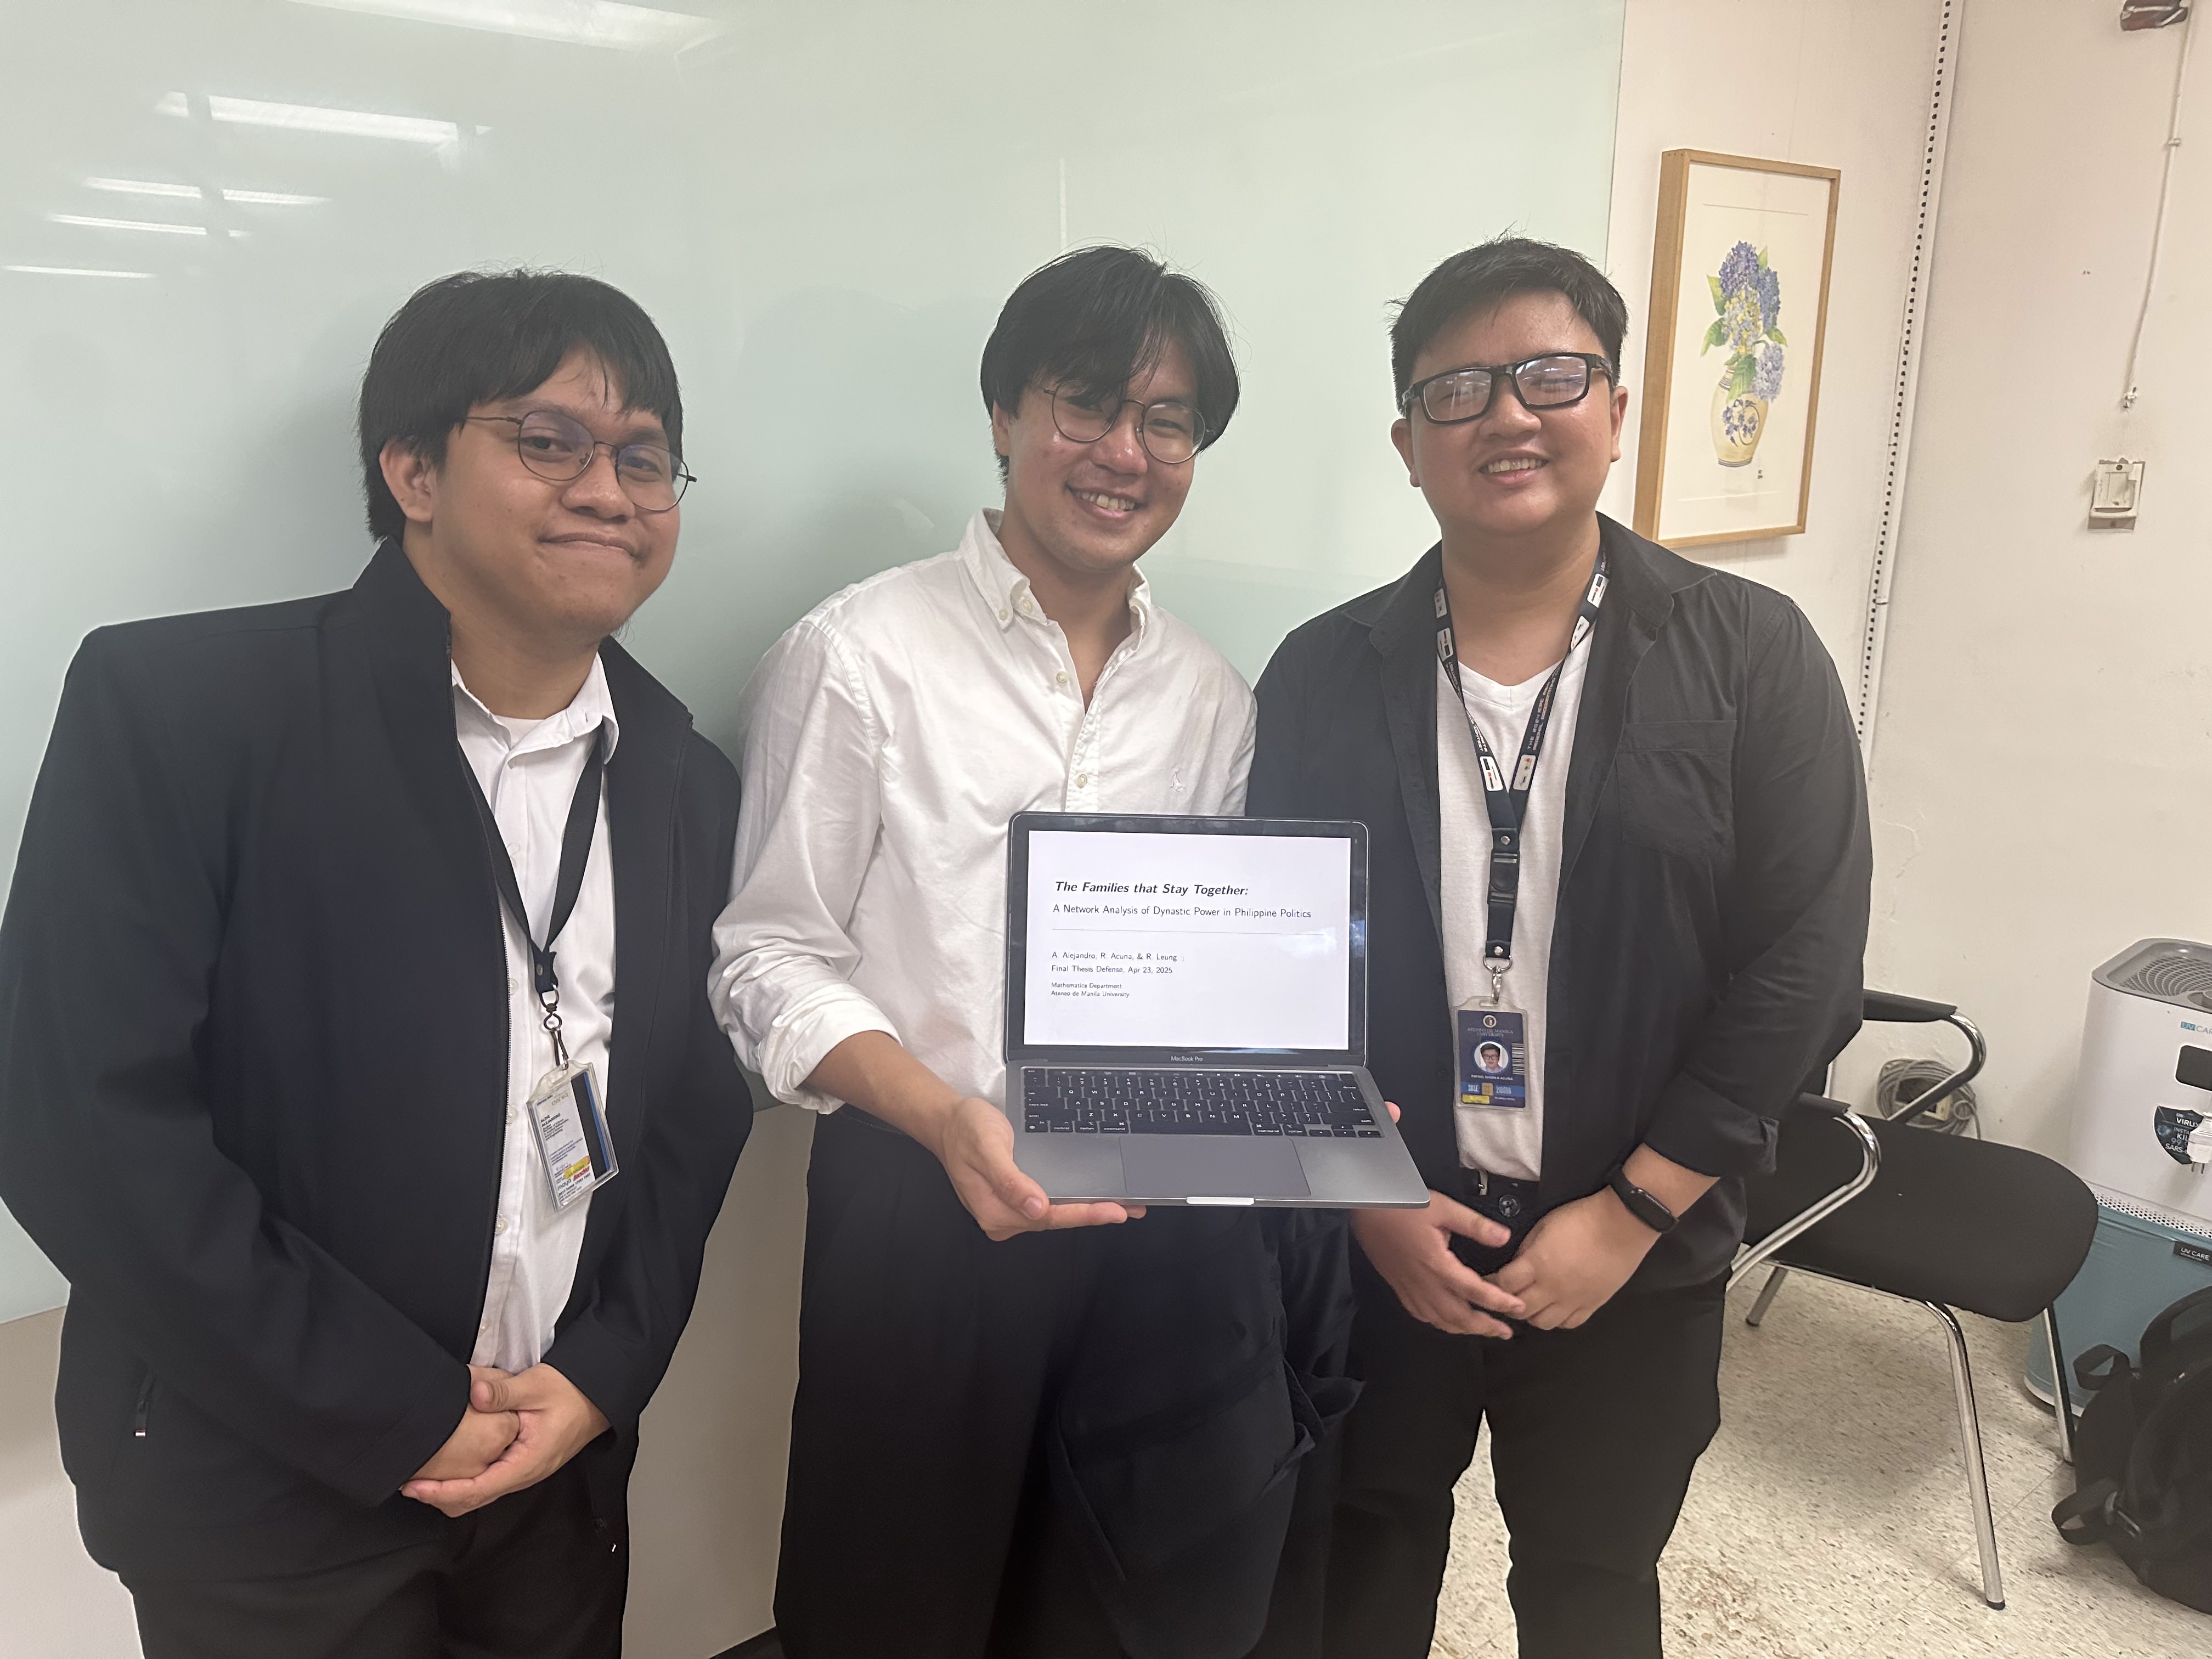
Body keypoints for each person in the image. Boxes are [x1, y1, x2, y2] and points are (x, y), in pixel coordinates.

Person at [0, 269, 754, 1657]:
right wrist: (387, 1409)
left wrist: (600, 1374)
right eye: (550, 441)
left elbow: (700, 1115)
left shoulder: (682, 781)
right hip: (264, 1489)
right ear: (411, 467)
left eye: (644, 456)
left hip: (556, 1473)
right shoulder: (184, 714)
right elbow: (78, 1124)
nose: (611, 490)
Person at [714, 245, 1345, 1659]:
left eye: (1167, 421)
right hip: (918, 1198)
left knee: (1123, 1594)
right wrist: (944, 1117)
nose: (1124, 452)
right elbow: (764, 961)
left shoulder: (1210, 697)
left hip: (1155, 1214)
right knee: (895, 1594)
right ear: (1004, 415)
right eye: (1084, 404)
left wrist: (1303, 1097)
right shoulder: (857, 656)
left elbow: (1218, 972)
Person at [1245, 237, 1871, 1658]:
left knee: (1592, 1583)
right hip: (1390, 1236)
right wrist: (1362, 1197)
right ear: (1406, 444)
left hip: (1631, 1251)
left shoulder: (1752, 656)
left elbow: (1807, 959)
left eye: (1548, 375)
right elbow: (1274, 967)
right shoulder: (1322, 673)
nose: (1507, 416)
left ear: (1616, 407)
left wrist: (1635, 1212)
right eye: (1457, 390)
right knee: (1353, 1561)